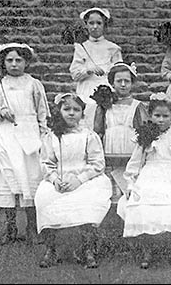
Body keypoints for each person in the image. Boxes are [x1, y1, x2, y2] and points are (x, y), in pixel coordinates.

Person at [116, 93, 171, 269]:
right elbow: (135, 163)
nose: (161, 120)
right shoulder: (145, 135)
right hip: (149, 176)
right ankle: (148, 248)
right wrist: (130, 183)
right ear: (150, 116)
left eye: (165, 116)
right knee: (145, 204)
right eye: (157, 116)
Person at [0, 43, 50, 246]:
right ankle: (10, 228)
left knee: (30, 179)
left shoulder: (34, 84)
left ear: (26, 62)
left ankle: (32, 227)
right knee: (7, 178)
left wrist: (44, 135)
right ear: (3, 62)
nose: (14, 64)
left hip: (29, 135)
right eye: (9, 60)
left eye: (18, 60)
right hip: (6, 135)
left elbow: (42, 112)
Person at [35, 93, 112, 269]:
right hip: (60, 179)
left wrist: (79, 180)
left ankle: (88, 249)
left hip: (86, 178)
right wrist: (54, 179)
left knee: (88, 199)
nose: (71, 113)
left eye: (76, 110)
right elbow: (46, 163)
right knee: (44, 197)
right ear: (59, 111)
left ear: (82, 113)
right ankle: (51, 249)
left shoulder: (89, 135)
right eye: (67, 109)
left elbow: (98, 163)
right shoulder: (51, 136)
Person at [69, 7, 123, 130]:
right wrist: (89, 70)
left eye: (99, 23)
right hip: (86, 90)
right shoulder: (81, 47)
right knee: (87, 124)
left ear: (105, 25)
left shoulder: (113, 48)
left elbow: (120, 74)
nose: (95, 27)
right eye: (91, 23)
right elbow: (74, 74)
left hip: (106, 91)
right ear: (86, 25)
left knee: (106, 125)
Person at [93, 61, 147, 155]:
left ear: (132, 83)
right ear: (112, 83)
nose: (123, 84)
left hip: (131, 148)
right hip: (110, 146)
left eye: (126, 81)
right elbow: (98, 131)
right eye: (119, 81)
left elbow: (144, 131)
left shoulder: (137, 106)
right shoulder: (104, 105)